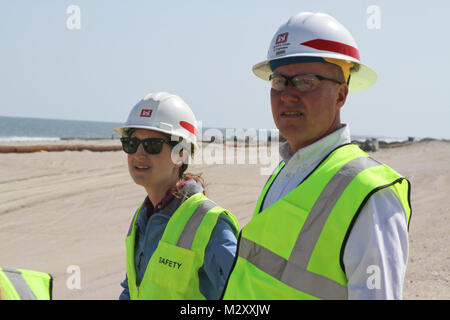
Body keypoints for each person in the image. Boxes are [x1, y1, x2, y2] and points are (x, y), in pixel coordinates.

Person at [222, 12, 411, 300]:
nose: (287, 95)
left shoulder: (369, 194)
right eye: (279, 81)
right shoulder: (284, 172)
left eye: (305, 81)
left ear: (341, 95)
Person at [116, 92, 239, 300]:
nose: (138, 154)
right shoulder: (142, 217)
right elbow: (134, 289)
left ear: (181, 154)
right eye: (131, 143)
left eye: (152, 145)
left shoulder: (210, 223)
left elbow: (243, 298)